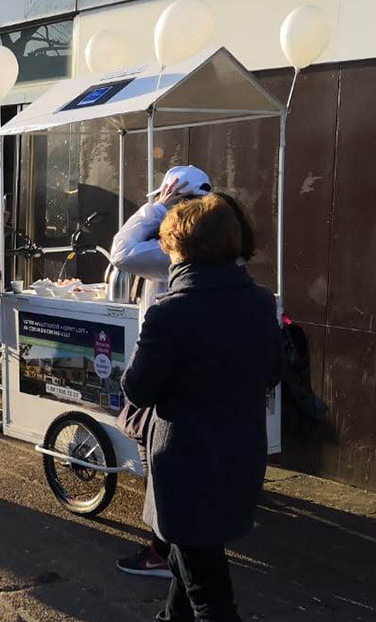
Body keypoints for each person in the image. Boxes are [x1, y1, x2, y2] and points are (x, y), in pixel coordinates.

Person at [123, 193, 280, 622]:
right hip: (240, 454)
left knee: (209, 593)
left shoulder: (170, 313)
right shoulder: (260, 303)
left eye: (169, 250)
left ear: (183, 250)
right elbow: (272, 373)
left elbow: (138, 389)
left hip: (185, 465)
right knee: (190, 561)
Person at [106, 164, 212, 580]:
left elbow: (121, 252)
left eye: (168, 201)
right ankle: (178, 544)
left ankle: (164, 548)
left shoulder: (175, 251)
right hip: (200, 366)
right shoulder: (219, 246)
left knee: (161, 457)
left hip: (168, 367)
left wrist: (154, 210)